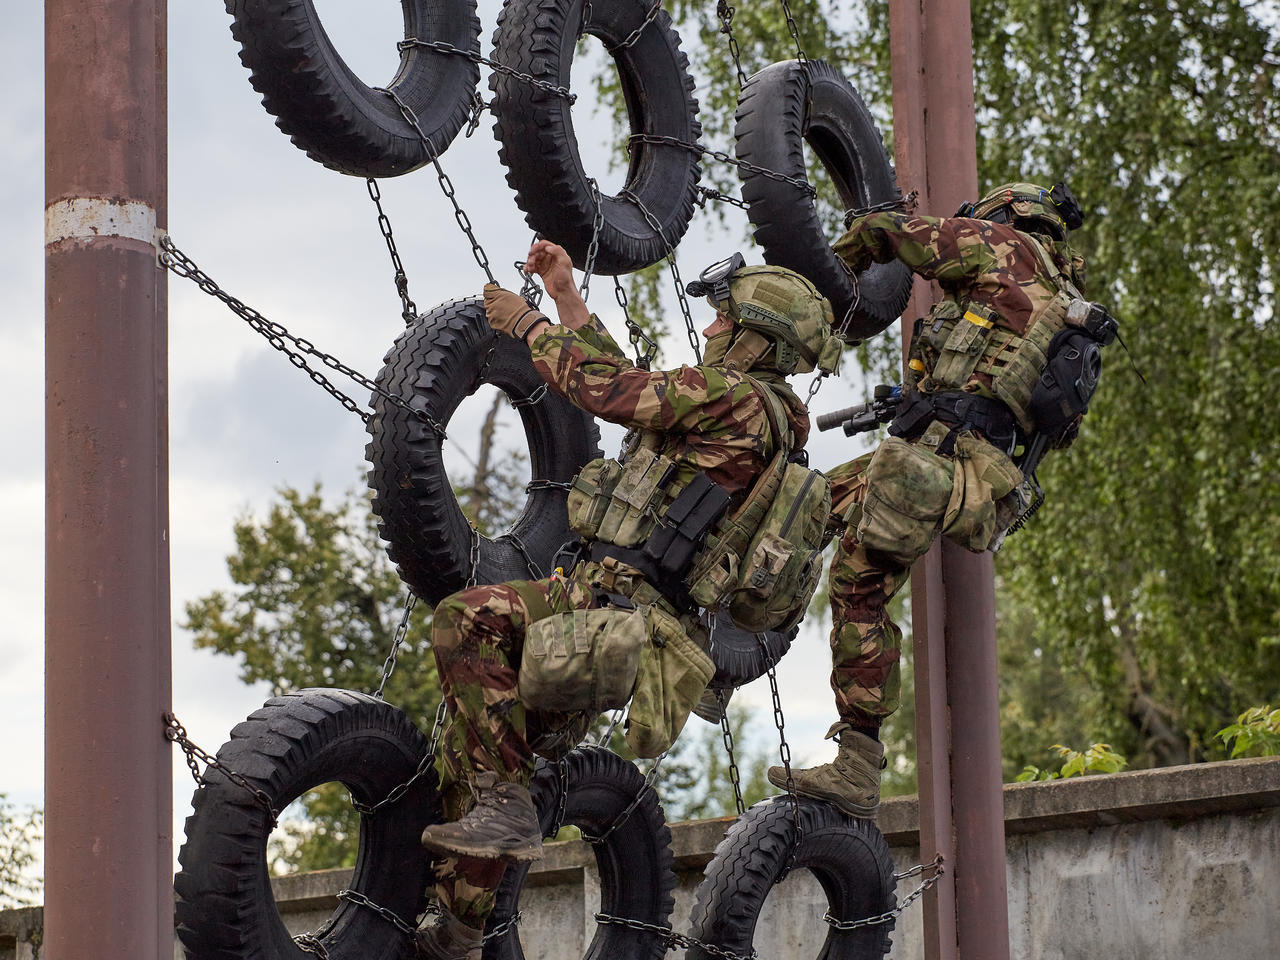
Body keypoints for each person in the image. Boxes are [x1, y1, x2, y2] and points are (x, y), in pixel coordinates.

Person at [416, 239, 839, 959]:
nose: (707, 331)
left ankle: (490, 845)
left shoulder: (735, 403)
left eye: (721, 322)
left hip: (617, 617)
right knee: (493, 741)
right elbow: (629, 389)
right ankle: (459, 926)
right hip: (598, 601)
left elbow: (608, 391)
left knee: (469, 624)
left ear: (753, 339)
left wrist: (526, 327)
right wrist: (566, 297)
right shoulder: (735, 410)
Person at [770, 181, 1108, 819]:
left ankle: (857, 765)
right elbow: (1007, 397)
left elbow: (888, 233)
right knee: (808, 503)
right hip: (974, 472)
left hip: (935, 461)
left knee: (857, 583)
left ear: (1004, 217)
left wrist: (828, 283)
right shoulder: (1063, 304)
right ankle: (739, 641)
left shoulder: (1003, 247)